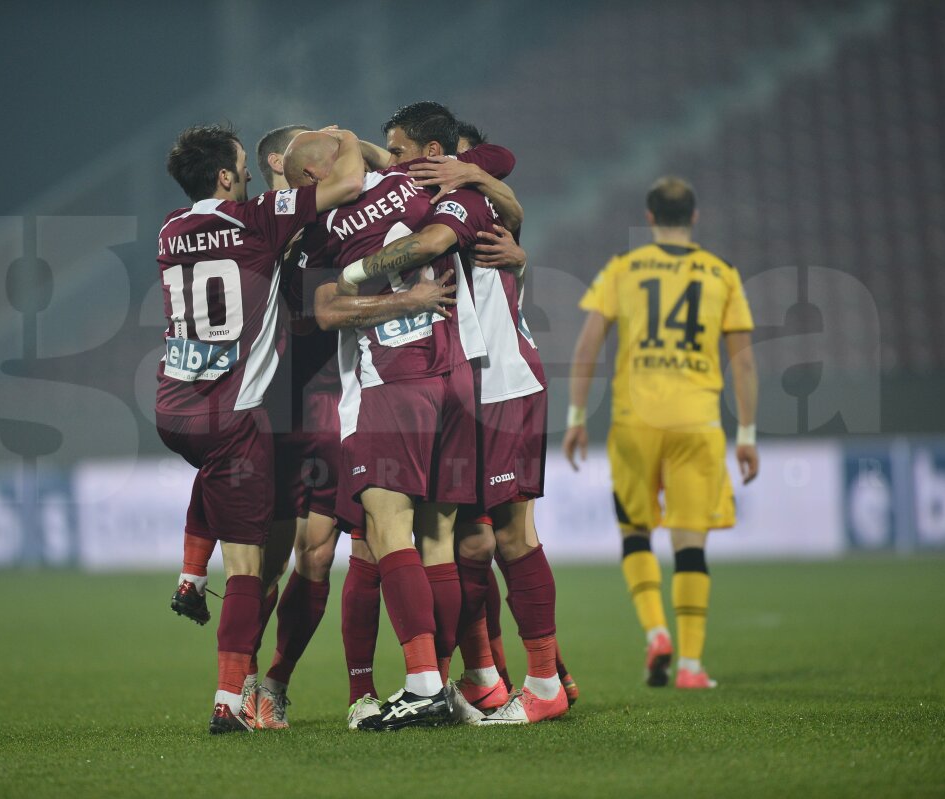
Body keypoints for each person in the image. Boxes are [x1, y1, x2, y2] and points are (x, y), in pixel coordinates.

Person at [283, 109, 516, 730]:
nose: (354, 144)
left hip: (391, 382)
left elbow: (327, 310)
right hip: (458, 378)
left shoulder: (324, 225)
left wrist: (378, 288)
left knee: (388, 534)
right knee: (439, 539)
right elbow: (498, 166)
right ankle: (449, 680)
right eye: (344, 144)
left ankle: (421, 685)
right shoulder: (424, 186)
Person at [345, 113, 570, 725]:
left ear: (443, 154)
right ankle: (489, 678)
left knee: (512, 534)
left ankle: (544, 680)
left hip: (502, 382)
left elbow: (502, 163)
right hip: (467, 385)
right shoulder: (437, 196)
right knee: (470, 539)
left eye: (402, 152)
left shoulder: (464, 199)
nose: (393, 163)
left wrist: (475, 173)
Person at [155, 123, 365, 734]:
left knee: (313, 551)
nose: (244, 172)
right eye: (240, 165)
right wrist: (345, 135)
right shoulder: (262, 218)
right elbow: (349, 177)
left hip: (229, 405)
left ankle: (261, 670)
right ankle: (232, 694)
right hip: (254, 415)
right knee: (256, 569)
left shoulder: (173, 228)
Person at [564, 176, 760, 689]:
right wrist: (748, 434)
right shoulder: (722, 273)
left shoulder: (623, 269)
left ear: (649, 218)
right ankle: (692, 667)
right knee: (691, 545)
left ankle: (656, 631)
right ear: (694, 217)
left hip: (635, 423)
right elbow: (743, 364)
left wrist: (576, 419)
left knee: (635, 533)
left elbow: (586, 347)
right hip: (698, 422)